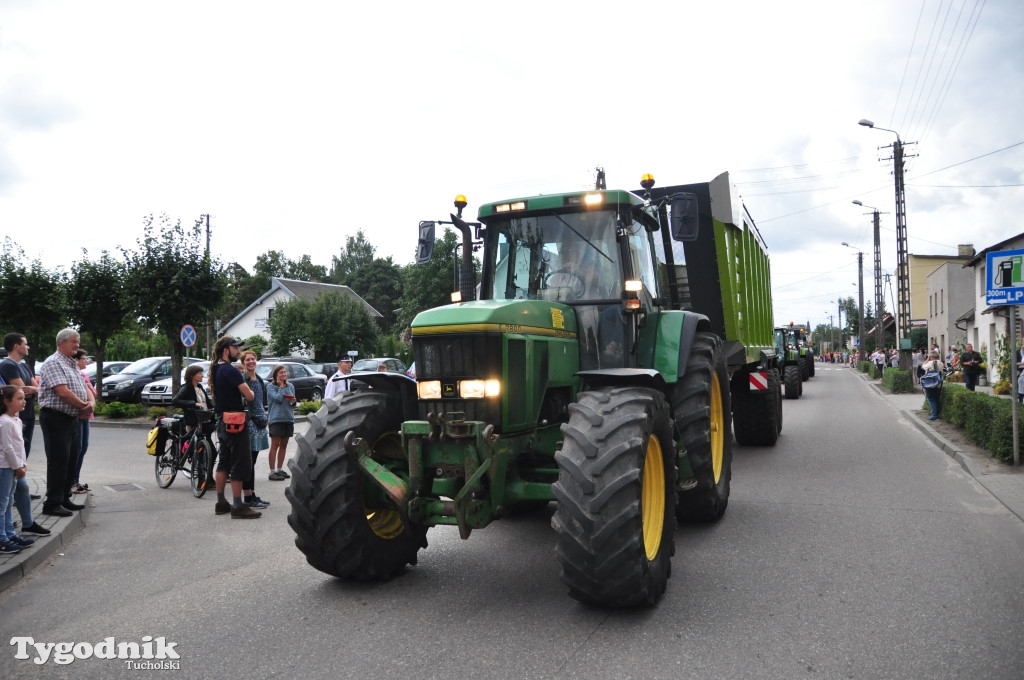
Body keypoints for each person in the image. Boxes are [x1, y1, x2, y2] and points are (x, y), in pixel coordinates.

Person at [37, 328, 93, 517]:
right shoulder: (53, 363)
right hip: (55, 417)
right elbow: (62, 392)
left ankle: (64, 497)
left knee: (71, 459)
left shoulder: (71, 364)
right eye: (73, 341)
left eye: (78, 341)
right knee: (58, 461)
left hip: (71, 417)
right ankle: (52, 503)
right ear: (61, 343)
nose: (77, 345)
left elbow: (84, 387)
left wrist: (89, 403)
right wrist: (83, 406)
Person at [207, 336, 261, 519]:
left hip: (222, 420)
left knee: (224, 462)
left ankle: (221, 503)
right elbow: (250, 395)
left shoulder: (216, 369)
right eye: (235, 348)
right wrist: (251, 391)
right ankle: (238, 506)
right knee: (241, 462)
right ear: (226, 350)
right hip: (236, 421)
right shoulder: (231, 371)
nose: (238, 351)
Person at [171, 363, 217, 493]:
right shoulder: (187, 388)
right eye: (200, 373)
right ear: (192, 376)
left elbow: (207, 403)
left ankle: (208, 478)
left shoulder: (200, 387)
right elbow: (175, 400)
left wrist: (215, 408)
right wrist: (193, 403)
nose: (202, 375)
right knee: (201, 452)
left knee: (212, 452)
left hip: (205, 422)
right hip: (194, 423)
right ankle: (202, 481)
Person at [0, 386, 35, 553]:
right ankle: (1, 539)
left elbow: (19, 446)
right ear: (7, 401)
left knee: (7, 504)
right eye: (19, 398)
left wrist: (23, 464)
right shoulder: (4, 422)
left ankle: (9, 534)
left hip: (13, 467)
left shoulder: (16, 420)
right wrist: (17, 466)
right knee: (2, 505)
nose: (24, 401)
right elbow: (7, 448)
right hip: (4, 468)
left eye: (24, 398)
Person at [239, 350, 270, 510]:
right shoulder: (243, 379)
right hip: (250, 423)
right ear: (243, 363)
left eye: (253, 359)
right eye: (247, 360)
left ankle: (252, 493)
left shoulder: (258, 379)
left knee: (253, 461)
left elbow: (261, 401)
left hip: (260, 422)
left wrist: (264, 416)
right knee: (248, 462)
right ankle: (248, 497)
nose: (251, 362)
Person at [71, 349, 96, 495]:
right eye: (83, 358)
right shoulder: (76, 374)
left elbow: (93, 393)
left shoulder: (83, 375)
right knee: (77, 448)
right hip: (78, 414)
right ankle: (72, 481)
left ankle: (76, 479)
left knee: (83, 447)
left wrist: (91, 403)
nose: (85, 361)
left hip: (86, 415)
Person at [266, 364, 296, 481]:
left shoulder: (291, 386)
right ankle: (272, 471)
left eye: (284, 372)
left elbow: (292, 403)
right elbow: (278, 399)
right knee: (275, 445)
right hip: (276, 419)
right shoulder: (271, 387)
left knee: (284, 445)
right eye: (281, 373)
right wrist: (281, 386)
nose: (283, 374)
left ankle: (279, 469)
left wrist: (293, 401)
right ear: (276, 375)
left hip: (288, 418)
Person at [921, 351, 945, 421]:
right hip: (938, 383)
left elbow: (923, 366)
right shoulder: (941, 363)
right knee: (937, 398)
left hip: (930, 383)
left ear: (931, 356)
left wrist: (927, 360)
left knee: (931, 399)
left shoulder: (930, 363)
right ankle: (938, 414)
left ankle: (935, 415)